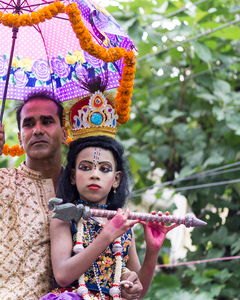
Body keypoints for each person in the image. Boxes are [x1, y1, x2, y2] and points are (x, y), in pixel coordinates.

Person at [0, 91, 143, 299]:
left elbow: (105, 265)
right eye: (29, 124)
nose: (37, 130)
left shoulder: (84, 191)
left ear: (64, 133)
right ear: (20, 138)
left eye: (47, 121)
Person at [41, 77, 179, 300]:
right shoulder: (64, 216)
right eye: (85, 167)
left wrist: (153, 249)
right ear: (73, 176)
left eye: (104, 169)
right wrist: (107, 235)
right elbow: (63, 275)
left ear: (116, 180)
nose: (95, 174)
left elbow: (138, 291)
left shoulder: (123, 225)